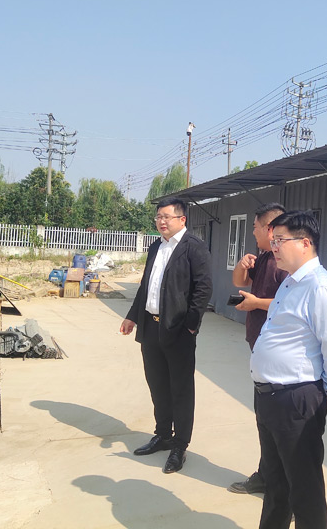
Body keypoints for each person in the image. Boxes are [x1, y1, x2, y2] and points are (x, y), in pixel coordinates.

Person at [250, 210, 327, 529]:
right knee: (276, 485)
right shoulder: (290, 283)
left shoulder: (320, 287)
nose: (274, 247)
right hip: (269, 397)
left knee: (304, 490)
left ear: (305, 243)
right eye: (272, 240)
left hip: (296, 400)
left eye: (280, 240)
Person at [120, 196, 212, 474]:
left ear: (182, 219)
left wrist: (191, 325)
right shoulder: (155, 247)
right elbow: (146, 286)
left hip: (178, 330)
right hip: (151, 326)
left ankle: (180, 445)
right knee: (157, 384)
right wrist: (132, 316)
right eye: (158, 217)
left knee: (180, 389)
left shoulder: (194, 248)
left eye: (166, 217)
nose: (161, 221)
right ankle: (163, 434)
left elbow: (203, 289)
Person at [228, 202, 289, 495]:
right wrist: (241, 266)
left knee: (280, 426)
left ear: (269, 228)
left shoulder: (286, 264)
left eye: (254, 227)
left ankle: (286, 491)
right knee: (264, 420)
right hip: (261, 352)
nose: (252, 232)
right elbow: (239, 283)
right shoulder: (264, 258)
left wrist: (256, 304)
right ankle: (266, 476)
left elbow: (291, 304)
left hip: (280, 356)